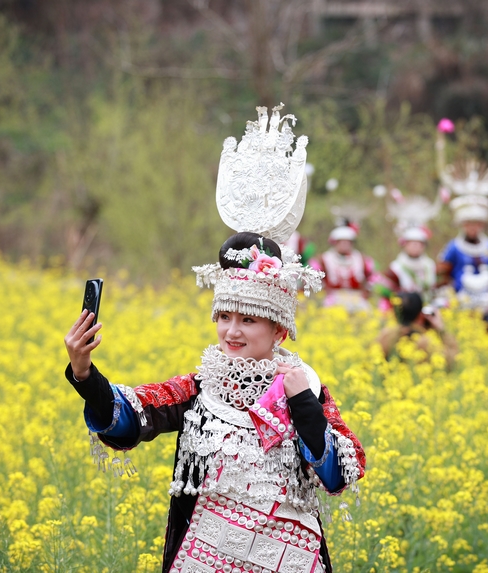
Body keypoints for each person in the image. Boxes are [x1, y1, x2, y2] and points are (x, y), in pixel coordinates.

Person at [64, 106, 365, 573]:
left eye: (248, 320)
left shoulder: (303, 387)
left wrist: (302, 402)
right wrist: (84, 374)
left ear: (279, 329)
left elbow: (339, 473)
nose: (231, 331)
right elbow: (129, 417)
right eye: (224, 316)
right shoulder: (198, 390)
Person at [435, 117, 488, 314]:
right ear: (462, 225)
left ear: (483, 225)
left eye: (477, 224)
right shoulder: (453, 248)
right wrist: (446, 295)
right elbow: (441, 275)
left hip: (487, 304)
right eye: (469, 224)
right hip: (460, 304)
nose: (473, 228)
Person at [378, 291, 458, 370]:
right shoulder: (425, 342)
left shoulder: (385, 335)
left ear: (394, 314)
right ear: (421, 315)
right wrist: (441, 329)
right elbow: (454, 361)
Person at [312, 222, 376, 312]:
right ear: (335, 243)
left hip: (357, 298)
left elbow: (373, 277)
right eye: (341, 242)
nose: (344, 245)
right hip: (333, 299)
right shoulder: (324, 259)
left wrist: (367, 291)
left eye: (347, 242)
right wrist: (321, 291)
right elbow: (313, 277)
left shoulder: (362, 259)